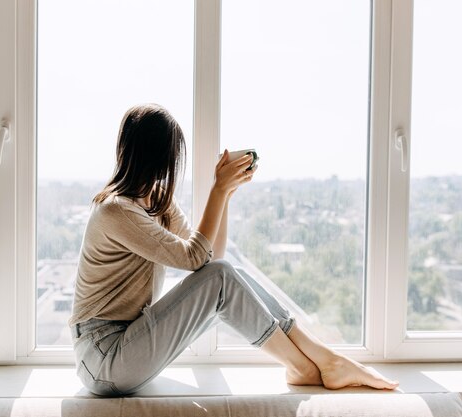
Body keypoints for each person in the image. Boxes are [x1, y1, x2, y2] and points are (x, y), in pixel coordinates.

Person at [69, 103, 399, 396]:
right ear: (161, 157)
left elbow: (212, 259)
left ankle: (323, 359)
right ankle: (306, 366)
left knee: (229, 275)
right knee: (222, 278)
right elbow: (195, 258)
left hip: (128, 344)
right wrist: (217, 189)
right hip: (103, 358)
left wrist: (225, 195)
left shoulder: (155, 202)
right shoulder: (115, 210)